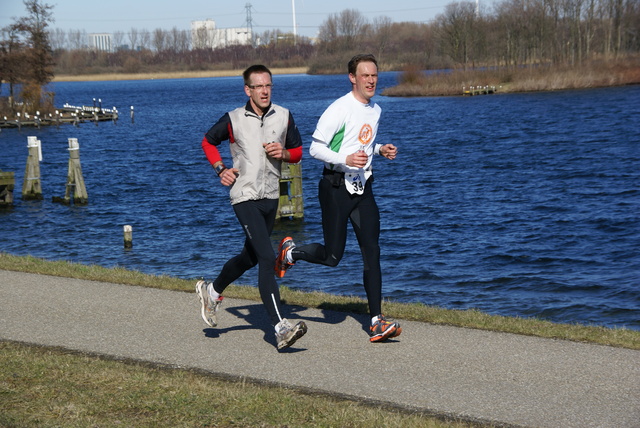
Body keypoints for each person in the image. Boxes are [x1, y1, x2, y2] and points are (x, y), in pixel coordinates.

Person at [274, 54, 402, 343]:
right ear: (352, 77)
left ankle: (376, 321)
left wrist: (379, 150)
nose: (371, 80)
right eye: (365, 75)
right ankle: (290, 252)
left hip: (362, 189)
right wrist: (345, 159)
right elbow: (315, 149)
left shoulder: (375, 110)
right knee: (333, 257)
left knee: (373, 252)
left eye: (374, 76)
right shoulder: (339, 109)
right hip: (334, 188)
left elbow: (361, 143)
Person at [196, 64, 307, 350]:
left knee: (251, 257)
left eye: (268, 85)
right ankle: (280, 327)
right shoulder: (233, 119)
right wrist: (220, 168)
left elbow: (297, 151)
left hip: (271, 197)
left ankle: (213, 290)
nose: (265, 90)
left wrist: (284, 153)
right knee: (268, 257)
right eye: (258, 86)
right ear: (248, 90)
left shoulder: (283, 116)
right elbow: (208, 141)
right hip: (244, 195)